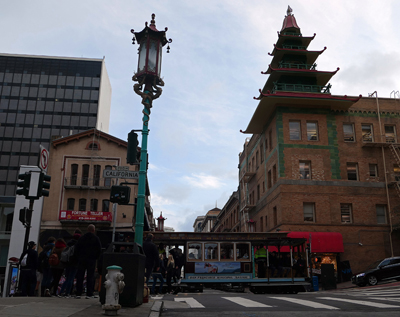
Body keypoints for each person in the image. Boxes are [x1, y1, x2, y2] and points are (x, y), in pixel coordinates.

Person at [74, 224, 102, 299]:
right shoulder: (96, 238)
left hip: (82, 259)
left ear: (87, 229)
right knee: (90, 276)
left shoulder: (81, 238)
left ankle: (78, 292)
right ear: (93, 230)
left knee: (80, 276)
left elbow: (76, 249)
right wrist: (96, 258)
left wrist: (78, 257)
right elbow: (99, 250)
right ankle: (89, 293)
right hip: (91, 260)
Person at [59, 231, 81, 297]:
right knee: (71, 278)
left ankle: (61, 291)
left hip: (67, 262)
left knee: (67, 278)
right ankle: (67, 292)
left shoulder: (68, 243)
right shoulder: (78, 245)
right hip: (74, 263)